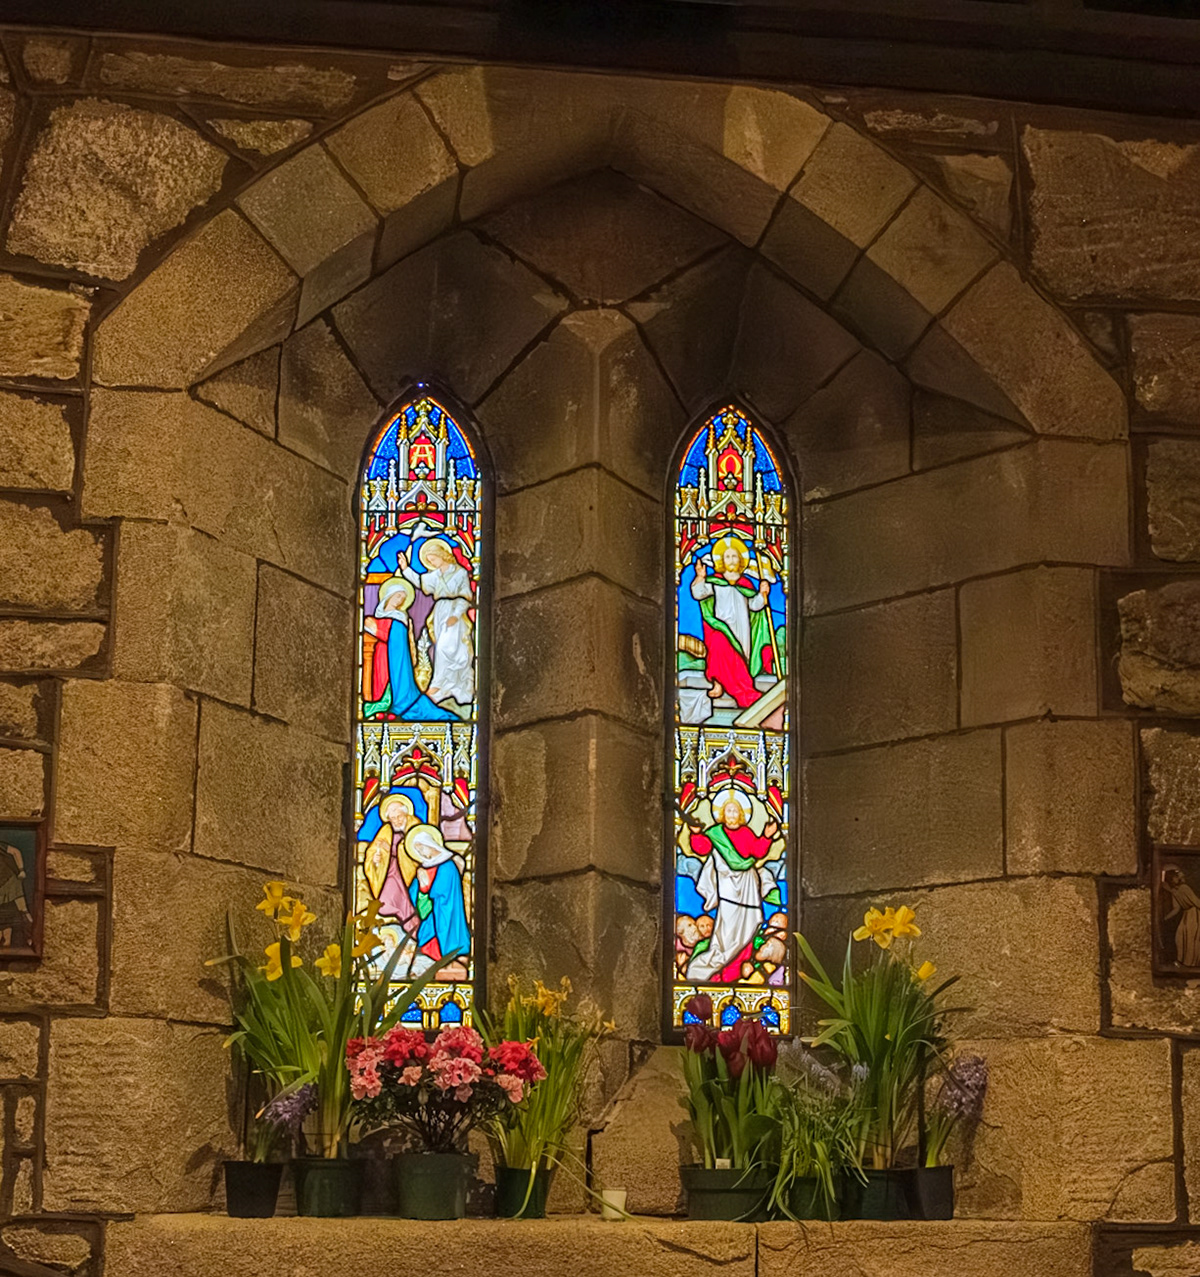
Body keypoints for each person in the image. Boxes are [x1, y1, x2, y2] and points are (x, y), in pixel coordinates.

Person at [684, 789, 780, 983]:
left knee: (750, 923)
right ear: (722, 814)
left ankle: (737, 967)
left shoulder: (747, 833)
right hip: (727, 887)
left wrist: (767, 836)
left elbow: (758, 851)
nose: (732, 815)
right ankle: (712, 967)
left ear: (742, 815)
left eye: (736, 812)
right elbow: (701, 847)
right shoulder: (715, 833)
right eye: (728, 811)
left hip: (748, 885)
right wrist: (695, 834)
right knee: (726, 929)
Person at [689, 535, 777, 709]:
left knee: (739, 657)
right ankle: (718, 683)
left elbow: (754, 605)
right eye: (727, 556)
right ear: (721, 560)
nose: (731, 559)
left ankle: (741, 686)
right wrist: (700, 577)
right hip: (721, 626)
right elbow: (698, 593)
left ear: (740, 561)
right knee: (719, 645)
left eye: (734, 556)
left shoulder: (746, 585)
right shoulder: (715, 582)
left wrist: (762, 594)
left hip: (741, 629)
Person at [362, 575, 456, 721]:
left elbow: (396, 636)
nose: (400, 600)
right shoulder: (379, 616)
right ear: (389, 596)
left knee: (403, 691)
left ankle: (398, 704)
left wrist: (380, 629)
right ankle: (381, 704)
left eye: (403, 598)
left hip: (399, 658)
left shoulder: (401, 618)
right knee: (380, 681)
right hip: (382, 655)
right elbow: (371, 626)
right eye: (398, 596)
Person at [400, 537, 474, 708]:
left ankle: (445, 684)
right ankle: (442, 684)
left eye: (433, 559)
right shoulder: (435, 575)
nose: (431, 562)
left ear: (442, 555)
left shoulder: (460, 573)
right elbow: (419, 581)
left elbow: (465, 596)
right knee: (440, 646)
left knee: (449, 648)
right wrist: (406, 569)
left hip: (455, 610)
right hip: (440, 612)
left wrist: (456, 614)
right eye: (429, 560)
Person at [405, 823, 470, 978]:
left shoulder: (448, 865)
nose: (421, 852)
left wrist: (426, 887)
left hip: (446, 910)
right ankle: (428, 961)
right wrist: (421, 888)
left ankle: (446, 958)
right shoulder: (424, 867)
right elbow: (415, 892)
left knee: (441, 931)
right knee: (425, 932)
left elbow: (442, 891)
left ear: (430, 844)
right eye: (417, 850)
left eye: (422, 847)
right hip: (431, 913)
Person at [362, 793, 421, 928]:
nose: (397, 821)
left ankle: (411, 927)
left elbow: (417, 852)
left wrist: (390, 850)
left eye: (399, 817)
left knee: (405, 901)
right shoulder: (386, 829)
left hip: (408, 873)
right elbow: (373, 851)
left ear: (406, 813)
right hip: (389, 871)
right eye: (393, 818)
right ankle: (403, 922)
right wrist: (375, 860)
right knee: (384, 903)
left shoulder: (414, 825)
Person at [1163, 867, 1200, 968]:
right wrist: (1165, 918)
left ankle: (1192, 962)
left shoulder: (1184, 888)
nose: (1175, 879)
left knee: (1192, 937)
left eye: (1176, 877)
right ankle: (1182, 961)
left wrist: (1170, 891)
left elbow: (1196, 902)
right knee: (1180, 935)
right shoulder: (1174, 891)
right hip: (1186, 915)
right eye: (1173, 878)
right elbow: (1176, 908)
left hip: (1195, 914)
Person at [0, 841, 29, 948]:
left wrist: (21, 870)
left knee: (24, 911)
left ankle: (30, 937)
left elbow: (15, 851)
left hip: (9, 881)